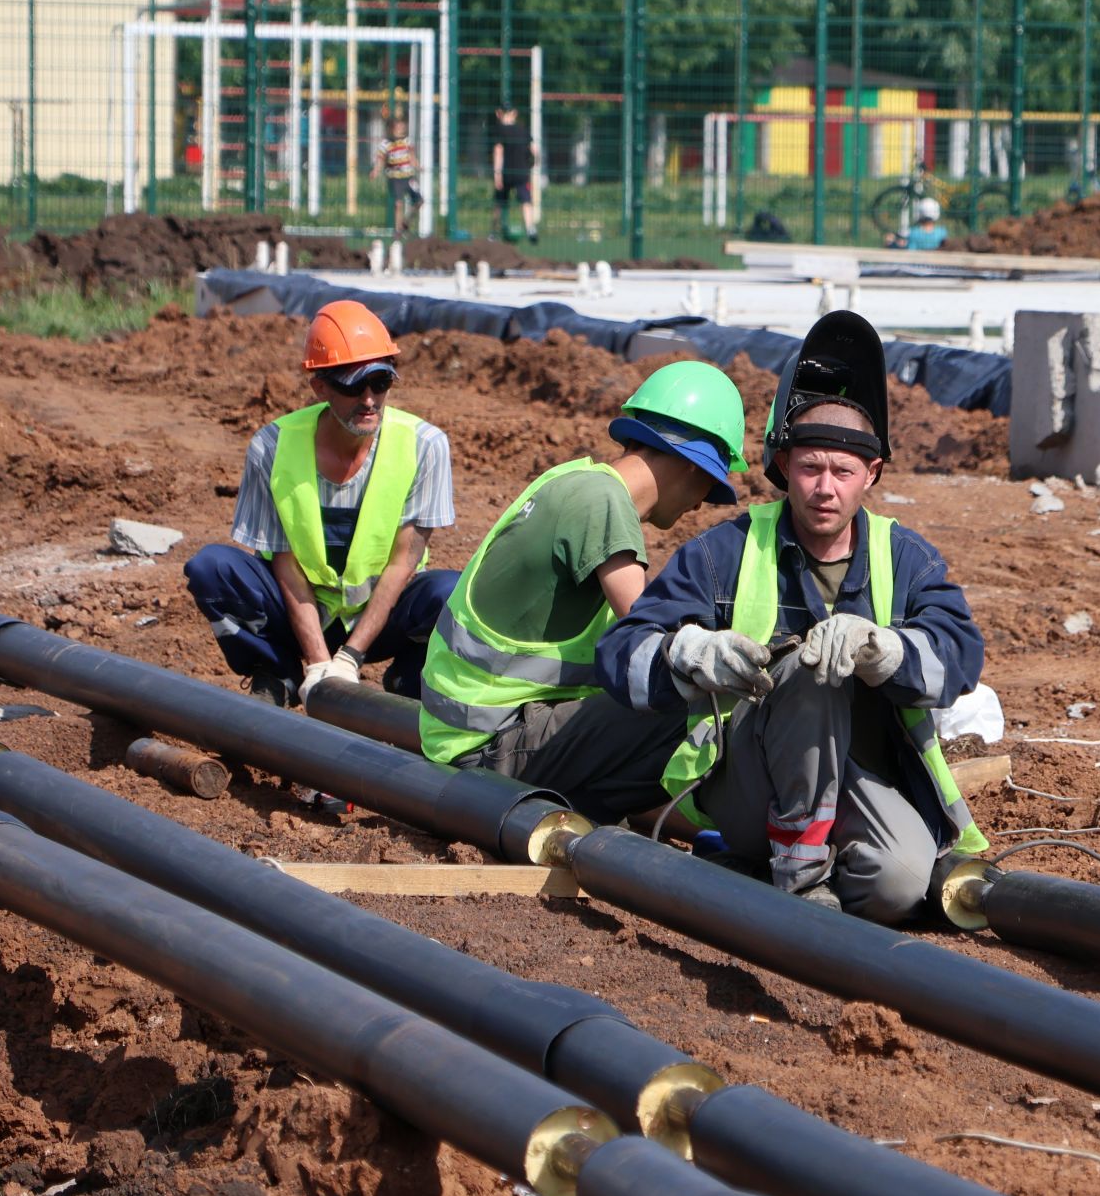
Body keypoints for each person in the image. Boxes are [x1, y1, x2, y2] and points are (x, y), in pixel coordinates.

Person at [597, 312, 989, 923]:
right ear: (783, 467)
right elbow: (622, 652)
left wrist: (887, 650)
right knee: (811, 665)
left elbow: (961, 654)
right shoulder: (725, 550)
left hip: (857, 776)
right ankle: (799, 874)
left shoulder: (904, 556)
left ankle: (769, 869)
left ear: (872, 474)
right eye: (810, 468)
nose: (824, 488)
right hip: (747, 784)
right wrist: (690, 653)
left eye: (843, 472)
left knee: (899, 883)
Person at [418, 360, 750, 823]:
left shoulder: (572, 480)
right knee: (696, 705)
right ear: (693, 468)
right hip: (490, 751)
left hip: (466, 737)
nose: (698, 505)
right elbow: (655, 638)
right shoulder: (604, 504)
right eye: (709, 487)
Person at [185, 299, 457, 710]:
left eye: (380, 382)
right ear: (319, 386)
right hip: (300, 611)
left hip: (380, 614)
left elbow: (403, 563)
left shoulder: (424, 446)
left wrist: (350, 658)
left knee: (452, 595)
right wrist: (317, 662)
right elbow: (286, 563)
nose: (369, 400)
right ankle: (278, 672)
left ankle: (410, 682)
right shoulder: (272, 447)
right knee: (212, 569)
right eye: (352, 386)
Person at [491, 105, 540, 244]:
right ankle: (530, 228)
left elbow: (498, 152)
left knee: (499, 203)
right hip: (521, 172)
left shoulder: (500, 130)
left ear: (499, 113)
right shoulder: (523, 130)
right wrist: (531, 166)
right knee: (526, 201)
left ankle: (493, 232)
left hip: (506, 173)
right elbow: (535, 152)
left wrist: (497, 174)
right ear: (515, 113)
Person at [370, 115, 423, 238]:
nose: (400, 130)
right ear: (391, 129)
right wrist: (376, 171)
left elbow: (412, 157)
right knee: (398, 204)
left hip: (409, 176)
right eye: (397, 128)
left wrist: (418, 166)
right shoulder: (385, 144)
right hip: (395, 178)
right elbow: (380, 160)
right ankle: (398, 230)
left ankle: (406, 222)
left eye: (402, 128)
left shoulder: (407, 142)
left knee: (419, 201)